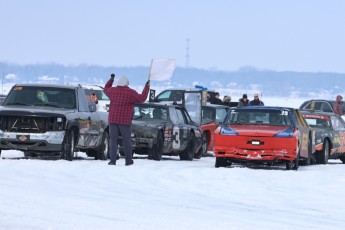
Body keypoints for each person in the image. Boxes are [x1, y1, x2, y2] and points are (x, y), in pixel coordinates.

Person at [104, 73, 150, 166]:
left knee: (113, 140)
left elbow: (105, 89)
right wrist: (147, 87)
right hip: (125, 121)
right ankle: (128, 161)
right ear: (126, 84)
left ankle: (112, 160)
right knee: (127, 141)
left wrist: (111, 79)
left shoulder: (112, 91)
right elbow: (142, 98)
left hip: (113, 120)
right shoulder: (131, 93)